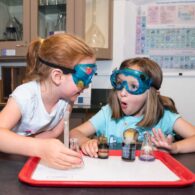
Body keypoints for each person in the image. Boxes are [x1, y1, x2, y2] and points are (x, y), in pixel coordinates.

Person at [0, 33, 97, 169]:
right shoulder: (25, 95)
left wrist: (48, 150)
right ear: (57, 76)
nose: (87, 85)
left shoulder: (67, 100)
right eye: (83, 79)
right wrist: (39, 147)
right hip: (7, 162)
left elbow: (55, 132)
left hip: (29, 160)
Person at [70, 57, 195, 157]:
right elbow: (74, 133)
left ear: (151, 94)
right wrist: (86, 142)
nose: (122, 93)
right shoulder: (108, 113)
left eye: (133, 87)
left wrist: (175, 148)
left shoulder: (164, 116)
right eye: (120, 84)